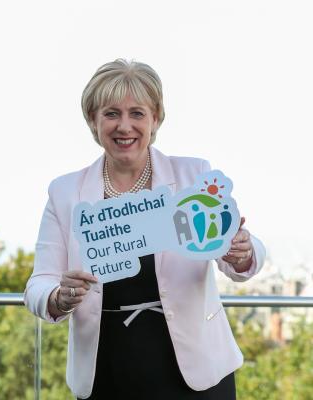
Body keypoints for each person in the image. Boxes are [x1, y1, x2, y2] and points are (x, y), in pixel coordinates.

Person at [24, 59, 266, 399]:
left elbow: (236, 254)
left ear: (155, 119)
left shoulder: (192, 176)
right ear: (93, 121)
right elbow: (38, 284)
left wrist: (242, 250)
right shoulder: (65, 193)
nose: (125, 126)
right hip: (106, 372)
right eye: (111, 113)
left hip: (197, 373)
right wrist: (57, 298)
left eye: (137, 113)